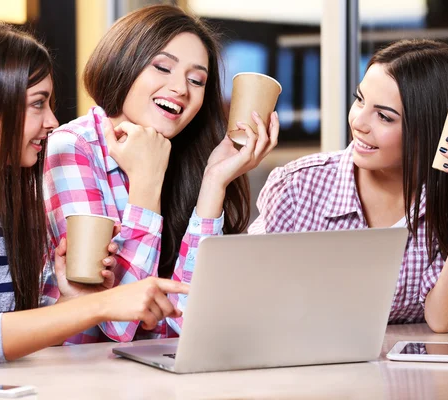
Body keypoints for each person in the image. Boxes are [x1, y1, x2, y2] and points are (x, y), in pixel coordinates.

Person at [0, 19, 188, 369]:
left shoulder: (15, 204)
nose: (53, 121)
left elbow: (13, 335)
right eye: (38, 104)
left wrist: (69, 303)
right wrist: (106, 304)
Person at [43, 4, 279, 343]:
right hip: (75, 373)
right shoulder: (72, 147)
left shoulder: (185, 156)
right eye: (162, 67)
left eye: (196, 80)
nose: (181, 89)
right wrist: (147, 184)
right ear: (123, 63)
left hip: (150, 375)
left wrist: (214, 182)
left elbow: (188, 320)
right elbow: (119, 324)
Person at [245, 39, 448, 333]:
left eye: (384, 116)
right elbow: (249, 300)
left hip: (404, 375)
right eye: (359, 100)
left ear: (429, 129)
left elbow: (443, 318)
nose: (359, 123)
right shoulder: (297, 187)